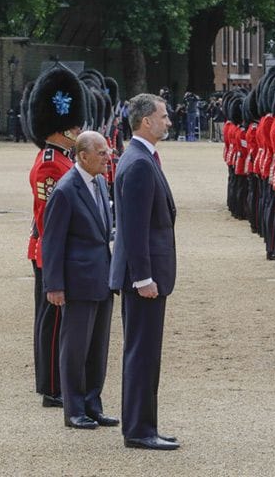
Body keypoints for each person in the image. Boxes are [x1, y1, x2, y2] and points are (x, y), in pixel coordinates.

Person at [109, 93, 180, 450]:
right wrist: (143, 278)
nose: (168, 122)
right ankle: (138, 429)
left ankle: (144, 425)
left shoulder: (140, 157)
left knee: (146, 353)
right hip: (144, 278)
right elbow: (134, 229)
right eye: (163, 117)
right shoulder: (138, 162)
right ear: (146, 121)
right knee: (142, 353)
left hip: (148, 273)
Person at [42, 131, 118, 430]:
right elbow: (52, 242)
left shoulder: (99, 182)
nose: (107, 157)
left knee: (97, 348)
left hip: (101, 276)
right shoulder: (65, 190)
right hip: (77, 280)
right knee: (75, 349)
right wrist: (54, 285)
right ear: (83, 156)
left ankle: (92, 404)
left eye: (107, 152)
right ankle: (74, 409)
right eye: (101, 153)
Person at [27, 64, 86, 409]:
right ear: (63, 127)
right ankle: (51, 386)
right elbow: (50, 220)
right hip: (50, 251)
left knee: (51, 318)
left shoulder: (62, 158)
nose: (79, 130)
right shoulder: (51, 162)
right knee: (52, 321)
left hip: (53, 250)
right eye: (75, 125)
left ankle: (49, 380)